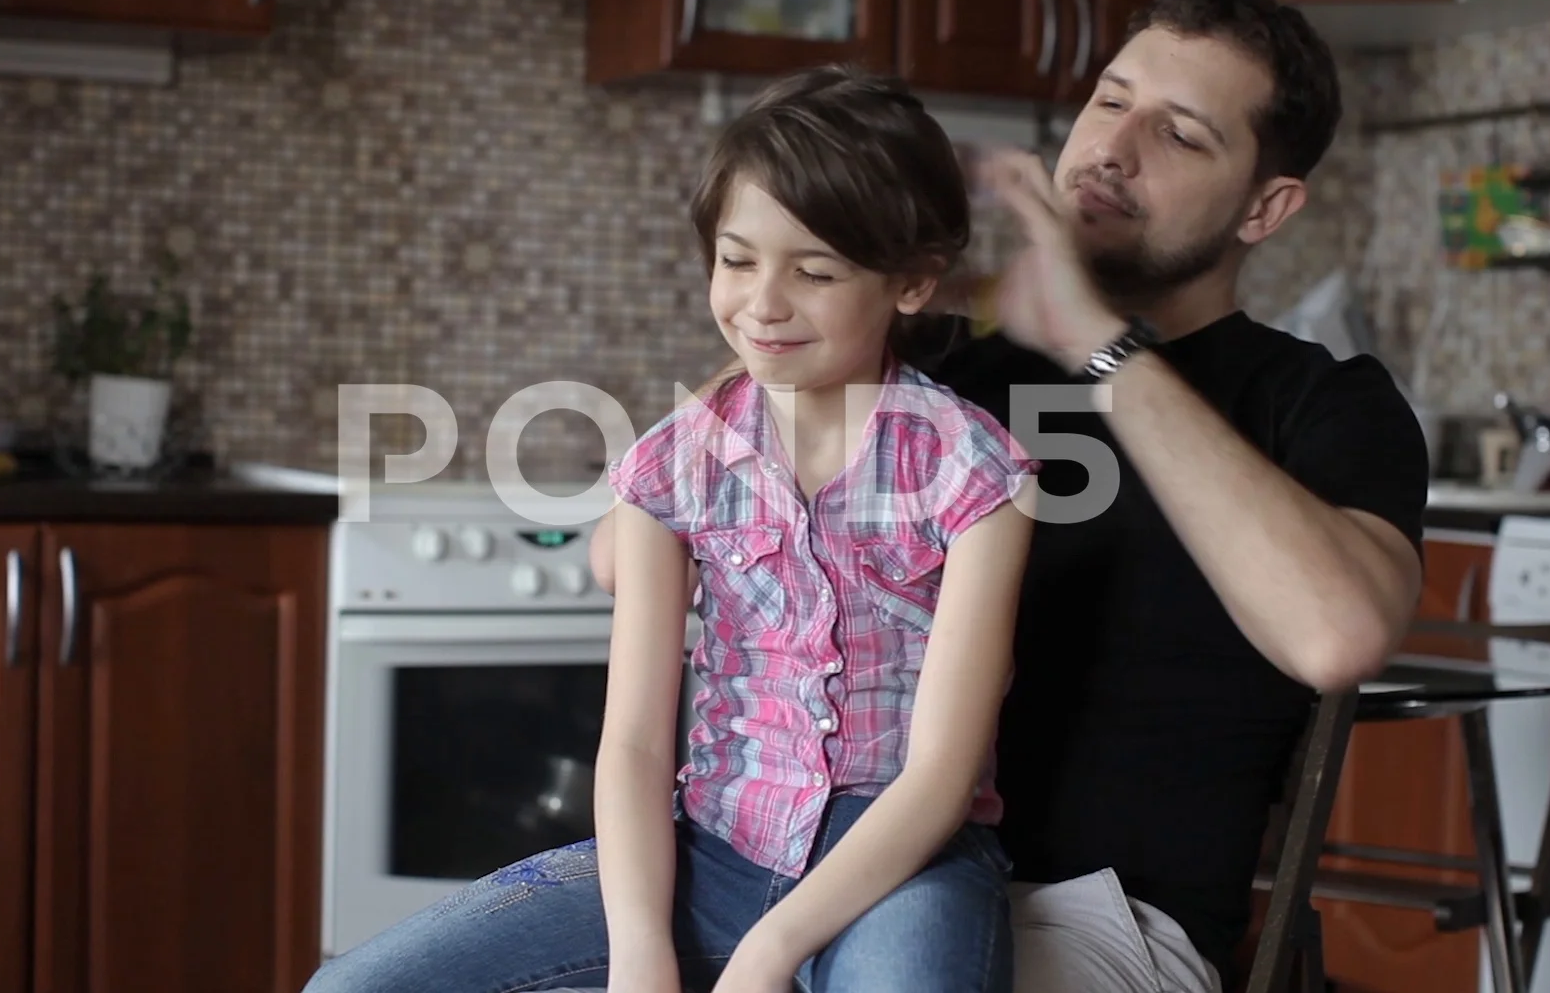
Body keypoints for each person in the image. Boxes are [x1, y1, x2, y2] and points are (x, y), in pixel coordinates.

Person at [588, 0, 1431, 993]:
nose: (1114, 148)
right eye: (1112, 100)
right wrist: (868, 295)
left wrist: (1097, 347)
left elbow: (1336, 635)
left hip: (1091, 912)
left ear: (1267, 207)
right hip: (823, 868)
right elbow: (625, 552)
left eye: (1182, 135)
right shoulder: (935, 361)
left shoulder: (1316, 399)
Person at [305, 66, 1042, 993]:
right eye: (737, 260)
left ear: (911, 284)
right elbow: (637, 746)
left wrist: (771, 951)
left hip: (901, 865)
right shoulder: (675, 463)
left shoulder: (976, 471)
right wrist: (641, 950)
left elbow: (939, 780)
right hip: (716, 852)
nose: (763, 302)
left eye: (814, 272)